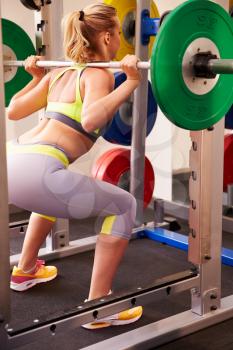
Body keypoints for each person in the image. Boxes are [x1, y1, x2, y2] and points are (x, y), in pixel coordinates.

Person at [7, 3, 142, 329]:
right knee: (124, 205)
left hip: (10, 164)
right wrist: (131, 81)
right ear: (109, 37)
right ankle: (99, 306)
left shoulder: (60, 73)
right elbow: (92, 117)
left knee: (55, 189)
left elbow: (13, 110)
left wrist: (36, 78)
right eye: (117, 36)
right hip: (40, 171)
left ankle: (25, 270)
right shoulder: (99, 74)